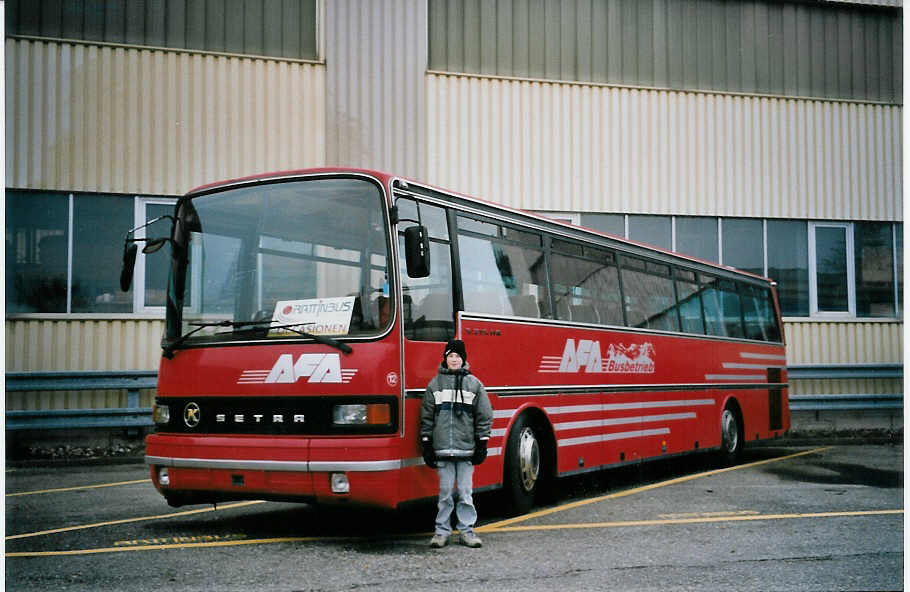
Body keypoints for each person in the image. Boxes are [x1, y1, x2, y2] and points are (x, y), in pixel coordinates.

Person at [420, 339, 493, 548]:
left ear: (463, 359)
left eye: (458, 356)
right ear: (445, 359)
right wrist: (427, 443)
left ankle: (467, 532)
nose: (454, 360)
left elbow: (484, 415)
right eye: (451, 356)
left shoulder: (474, 384)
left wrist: (482, 443)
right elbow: (426, 417)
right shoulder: (435, 384)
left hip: (466, 450)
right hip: (442, 450)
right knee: (444, 495)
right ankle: (441, 532)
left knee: (465, 493)